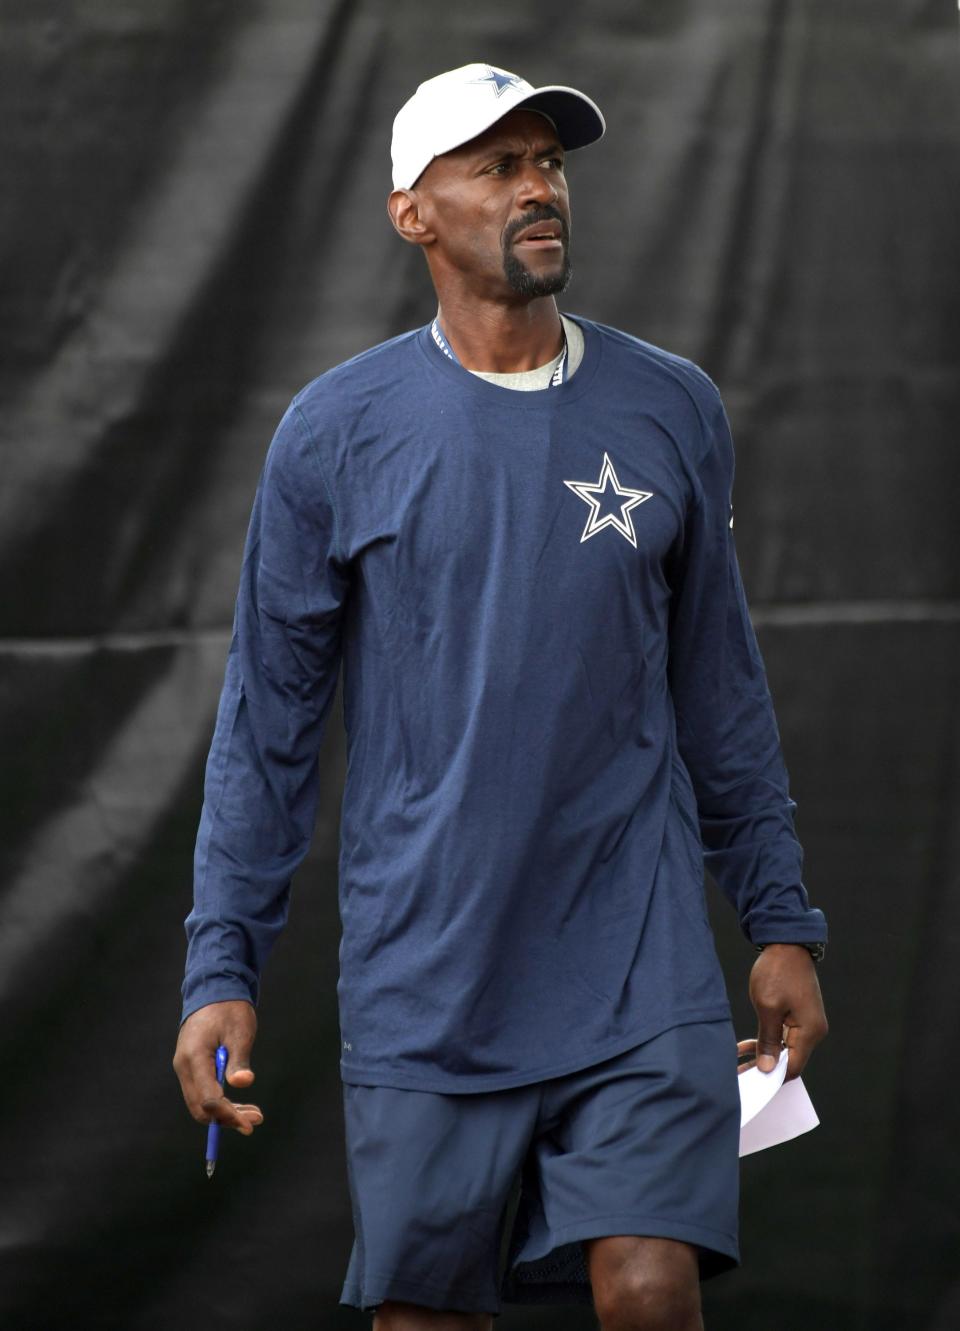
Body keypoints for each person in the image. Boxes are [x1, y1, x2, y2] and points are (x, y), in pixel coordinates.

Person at [172, 62, 828, 1331]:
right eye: (497, 166)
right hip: (432, 973)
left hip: (638, 963)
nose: (538, 189)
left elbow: (719, 685)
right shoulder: (334, 433)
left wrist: (780, 913)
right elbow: (268, 728)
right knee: (428, 1317)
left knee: (649, 1285)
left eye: (550, 163)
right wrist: (220, 965)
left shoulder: (671, 406)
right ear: (414, 213)